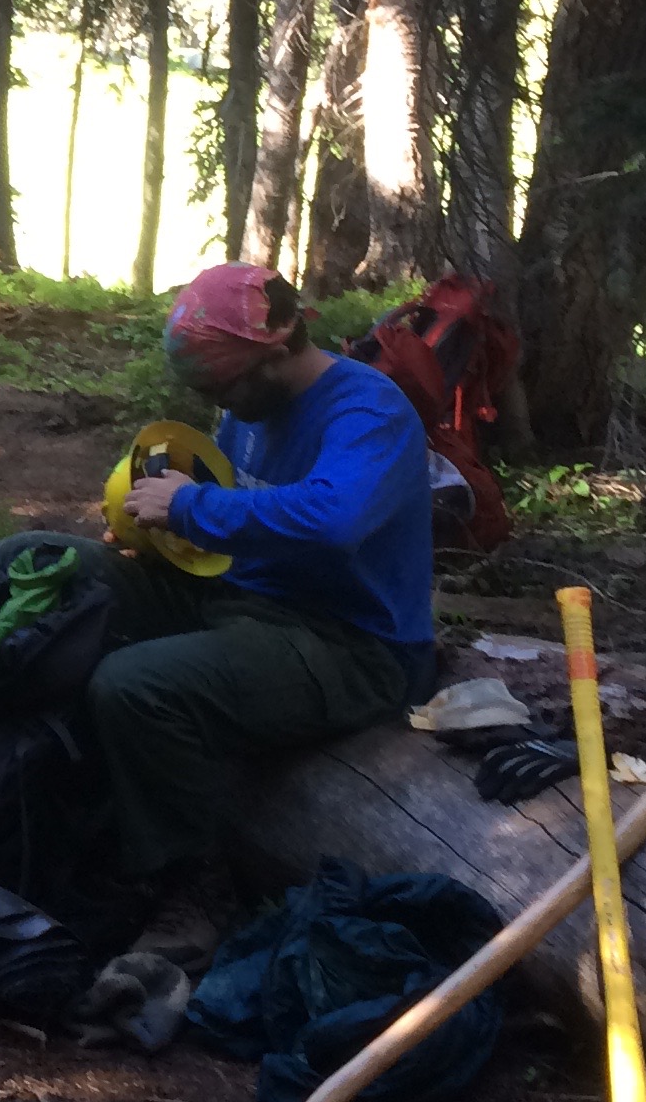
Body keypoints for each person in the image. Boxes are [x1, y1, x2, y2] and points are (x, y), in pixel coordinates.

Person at [69, 261, 434, 944]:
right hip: (244, 601)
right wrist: (154, 531)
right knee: (49, 567)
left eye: (224, 385)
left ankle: (194, 894)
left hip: (352, 645)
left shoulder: (369, 410)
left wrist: (193, 506)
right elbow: (237, 519)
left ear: (277, 348)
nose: (222, 404)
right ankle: (45, 802)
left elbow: (333, 521)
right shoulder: (249, 407)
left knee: (137, 685)